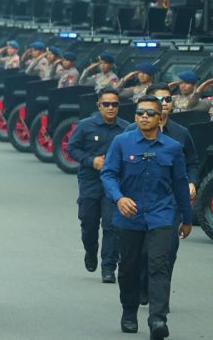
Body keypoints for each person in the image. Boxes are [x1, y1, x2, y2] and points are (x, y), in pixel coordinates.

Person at [101, 95, 192, 338]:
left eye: (150, 113)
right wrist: (119, 198)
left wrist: (187, 218)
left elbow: (181, 184)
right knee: (129, 268)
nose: (144, 116)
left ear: (160, 117)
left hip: (162, 216)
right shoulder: (122, 142)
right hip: (128, 217)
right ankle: (129, 312)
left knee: (159, 266)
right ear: (135, 116)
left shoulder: (172, 148)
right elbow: (108, 174)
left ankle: (158, 319)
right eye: (140, 112)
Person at [66, 87, 128, 283]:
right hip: (90, 181)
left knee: (112, 226)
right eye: (106, 104)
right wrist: (91, 160)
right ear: (98, 105)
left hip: (114, 184)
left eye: (114, 104)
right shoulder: (86, 126)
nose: (110, 108)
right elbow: (71, 148)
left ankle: (108, 267)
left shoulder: (125, 129)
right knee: (88, 223)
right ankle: (90, 251)